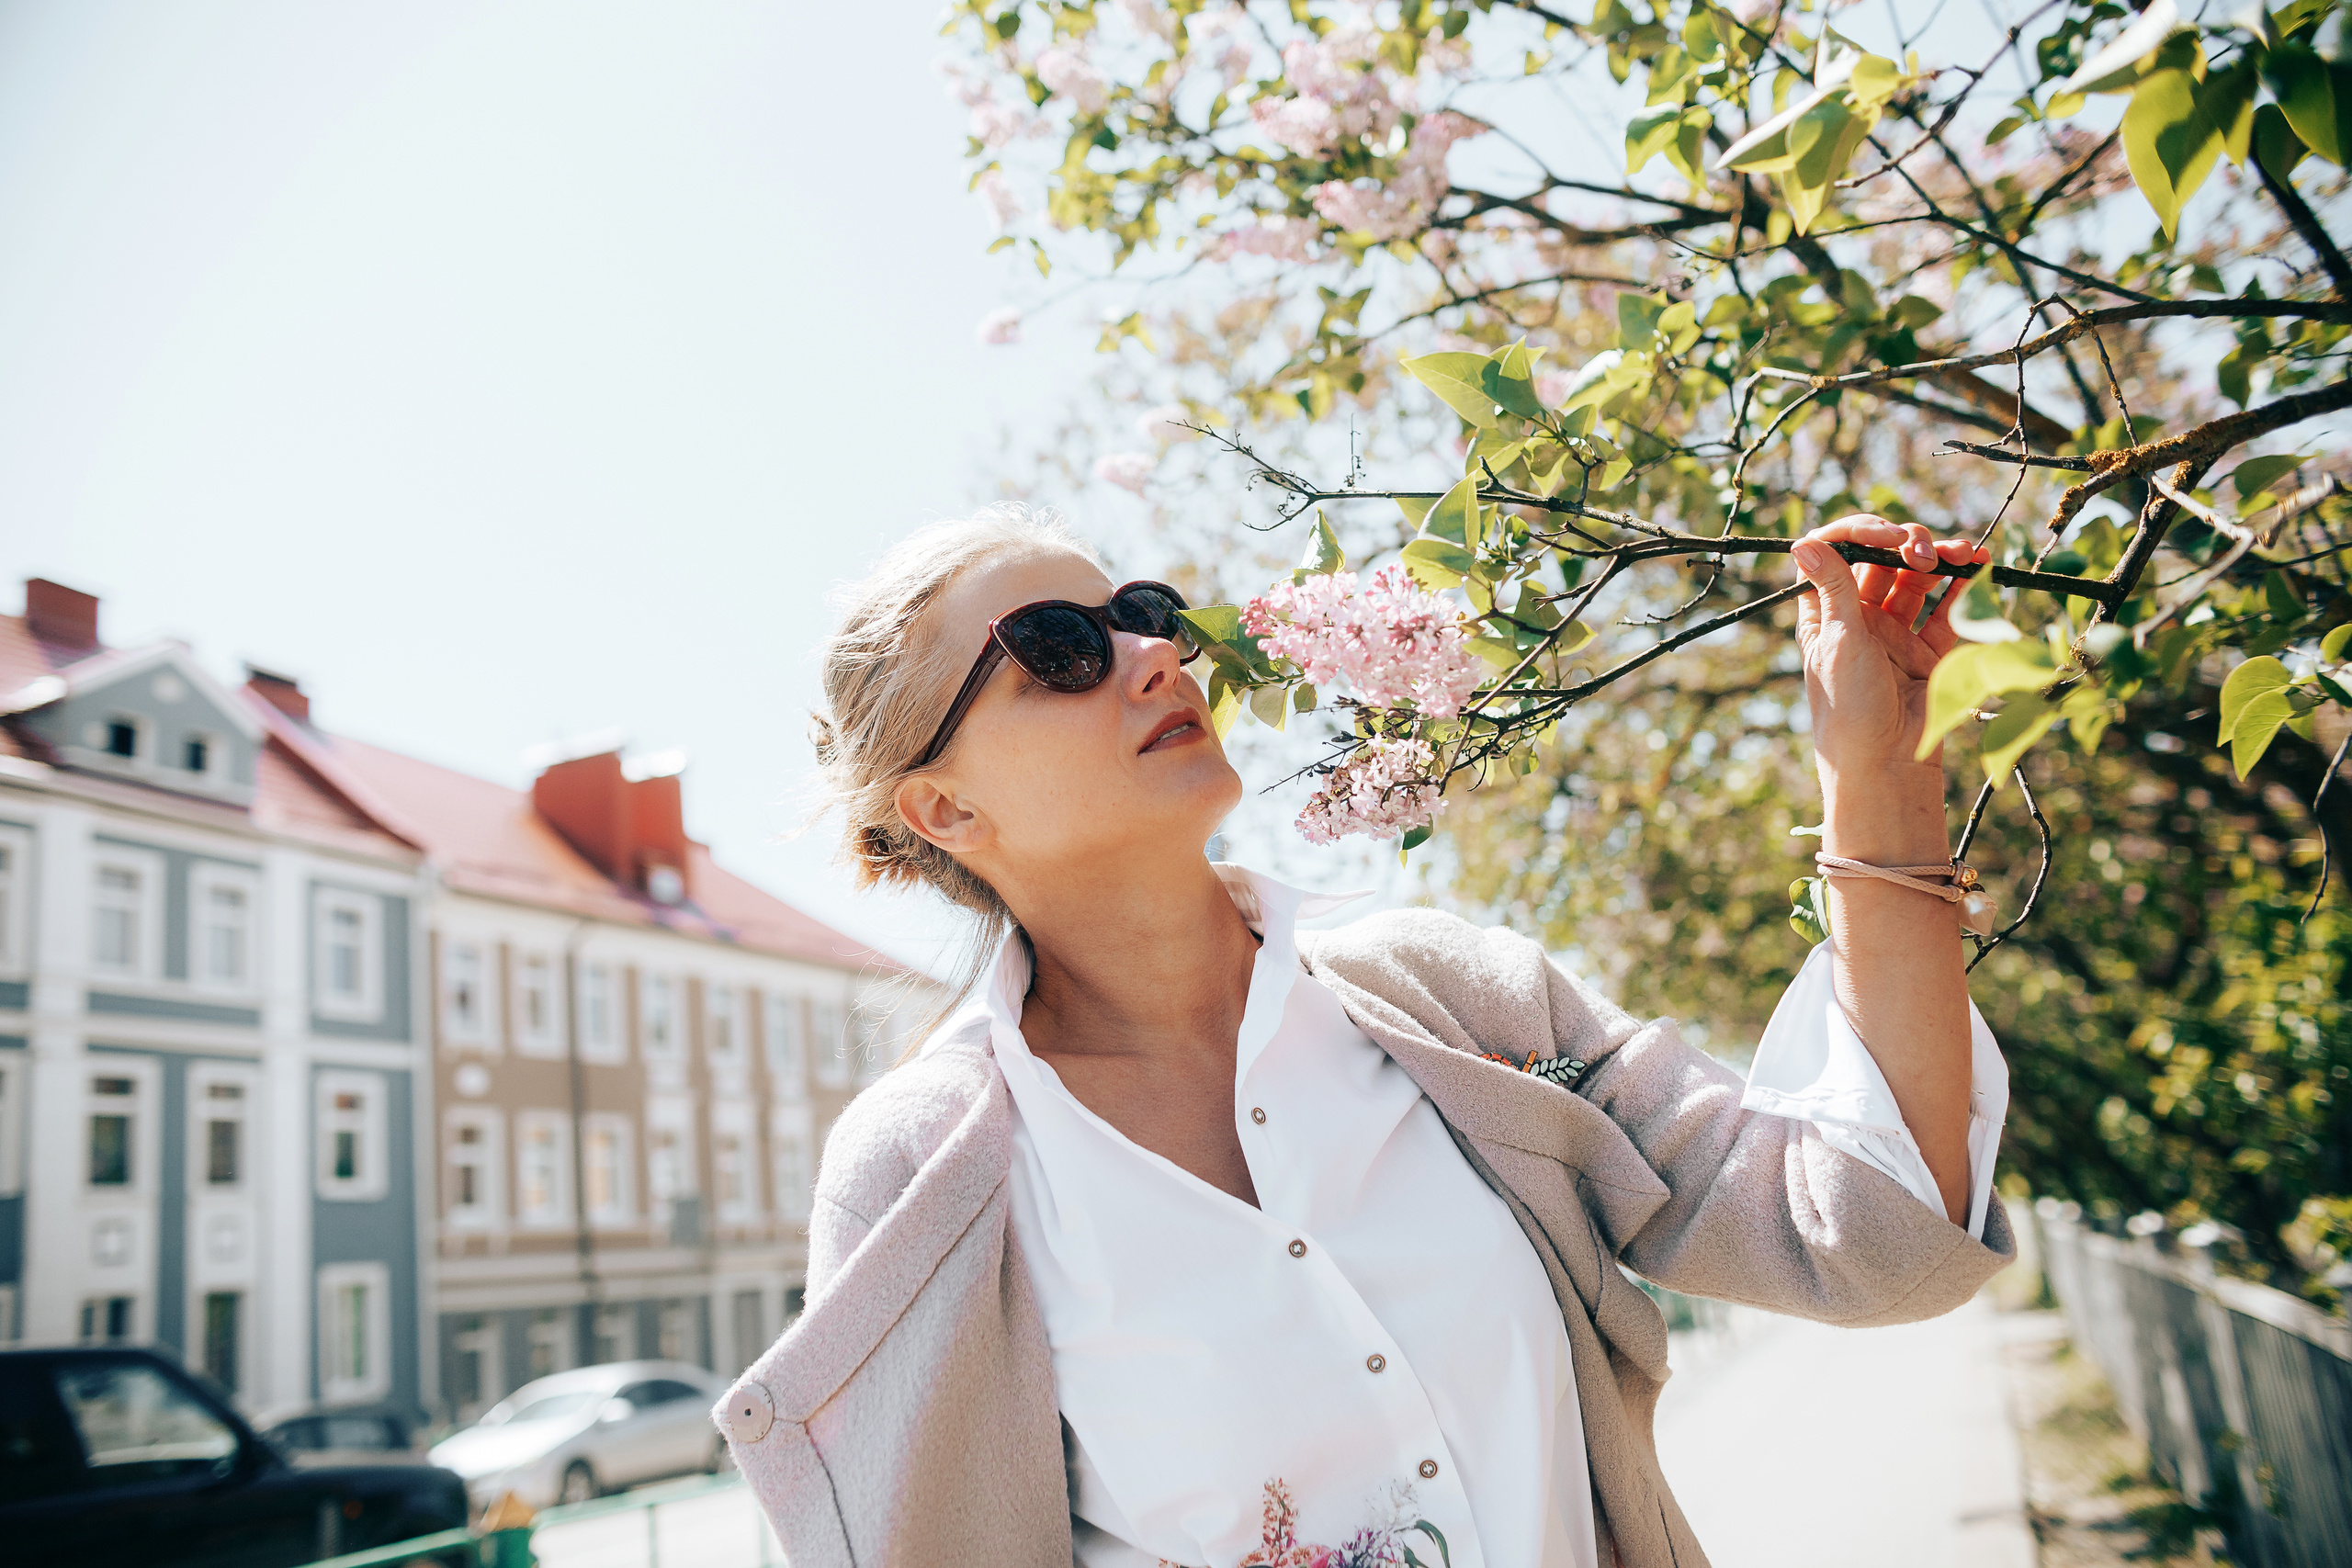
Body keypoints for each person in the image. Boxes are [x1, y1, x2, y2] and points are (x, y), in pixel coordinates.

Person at [710, 506, 2011, 1568]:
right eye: (1058, 650)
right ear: (943, 809)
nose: (1154, 656)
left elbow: (1876, 1229)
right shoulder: (923, 1173)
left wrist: (1884, 767)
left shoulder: (1455, 1001)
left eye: (1142, 614)